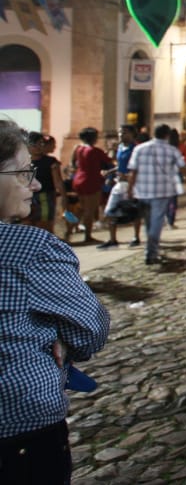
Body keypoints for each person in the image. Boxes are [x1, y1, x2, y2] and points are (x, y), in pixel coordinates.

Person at [0, 120, 110, 482]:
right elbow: (89, 332)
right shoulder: (31, 251)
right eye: (22, 173)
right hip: (21, 426)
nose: (32, 183)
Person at [125, 124, 186, 266]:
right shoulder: (171, 150)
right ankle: (151, 253)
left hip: (142, 192)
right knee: (157, 223)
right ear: (167, 135)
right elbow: (183, 168)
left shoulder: (139, 149)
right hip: (162, 192)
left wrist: (130, 189)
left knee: (148, 223)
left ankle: (152, 249)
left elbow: (133, 172)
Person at [99, 124, 141, 250]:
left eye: (125, 133)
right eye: (120, 133)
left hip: (132, 183)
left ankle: (136, 237)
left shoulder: (136, 149)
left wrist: (128, 176)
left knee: (134, 211)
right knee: (110, 211)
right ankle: (112, 239)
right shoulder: (121, 148)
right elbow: (121, 165)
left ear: (133, 134)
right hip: (120, 182)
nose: (121, 135)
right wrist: (110, 172)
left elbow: (138, 167)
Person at [69, 127, 113, 244]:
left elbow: (72, 164)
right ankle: (87, 236)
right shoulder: (94, 150)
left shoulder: (77, 149)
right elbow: (109, 161)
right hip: (91, 180)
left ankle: (68, 231)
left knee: (80, 209)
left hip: (78, 179)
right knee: (90, 209)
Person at [26, 132, 61, 235]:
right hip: (27, 198)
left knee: (44, 226)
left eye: (41, 144)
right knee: (27, 225)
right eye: (34, 144)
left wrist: (63, 198)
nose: (38, 147)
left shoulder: (50, 162)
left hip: (45, 197)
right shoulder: (22, 162)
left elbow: (58, 181)